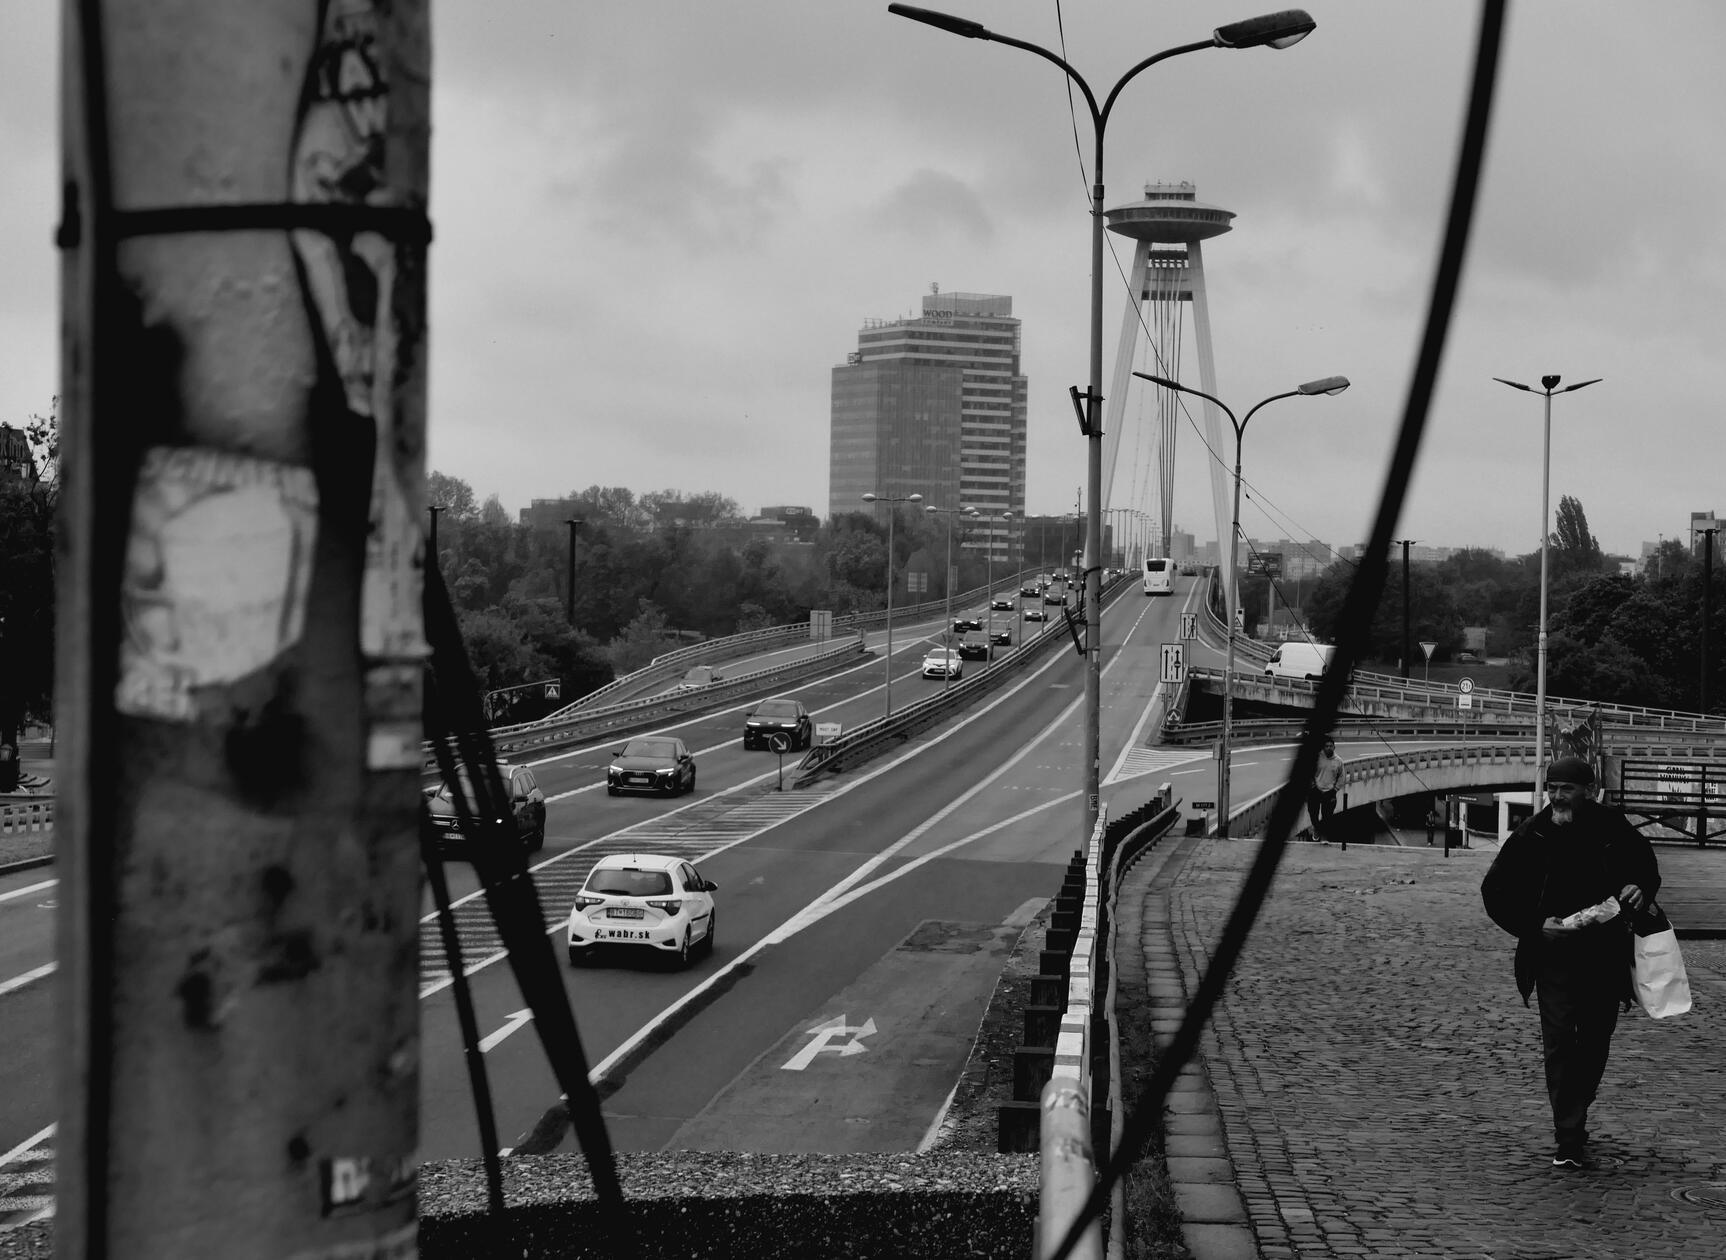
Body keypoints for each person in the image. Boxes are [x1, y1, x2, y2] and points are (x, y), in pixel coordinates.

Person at [1480, 756, 1661, 1170]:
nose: (1557, 797)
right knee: (1559, 1041)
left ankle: (1577, 1105)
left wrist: (1640, 888)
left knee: (1595, 1039)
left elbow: (1646, 870)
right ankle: (1569, 1135)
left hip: (1605, 954)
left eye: (1566, 789)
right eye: (1552, 788)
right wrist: (1534, 926)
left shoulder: (1613, 827)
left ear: (1589, 791)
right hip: (1552, 955)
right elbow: (1495, 891)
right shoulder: (1533, 832)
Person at [1308, 737, 1345, 843]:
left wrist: (1335, 789)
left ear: (1334, 747)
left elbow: (1342, 777)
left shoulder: (1338, 761)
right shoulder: (1317, 758)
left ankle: (1324, 835)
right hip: (1316, 789)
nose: (1328, 748)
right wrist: (1312, 785)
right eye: (1326, 746)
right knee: (1312, 812)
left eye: (1330, 746)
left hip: (1329, 792)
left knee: (1327, 816)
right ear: (1323, 747)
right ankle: (1316, 828)